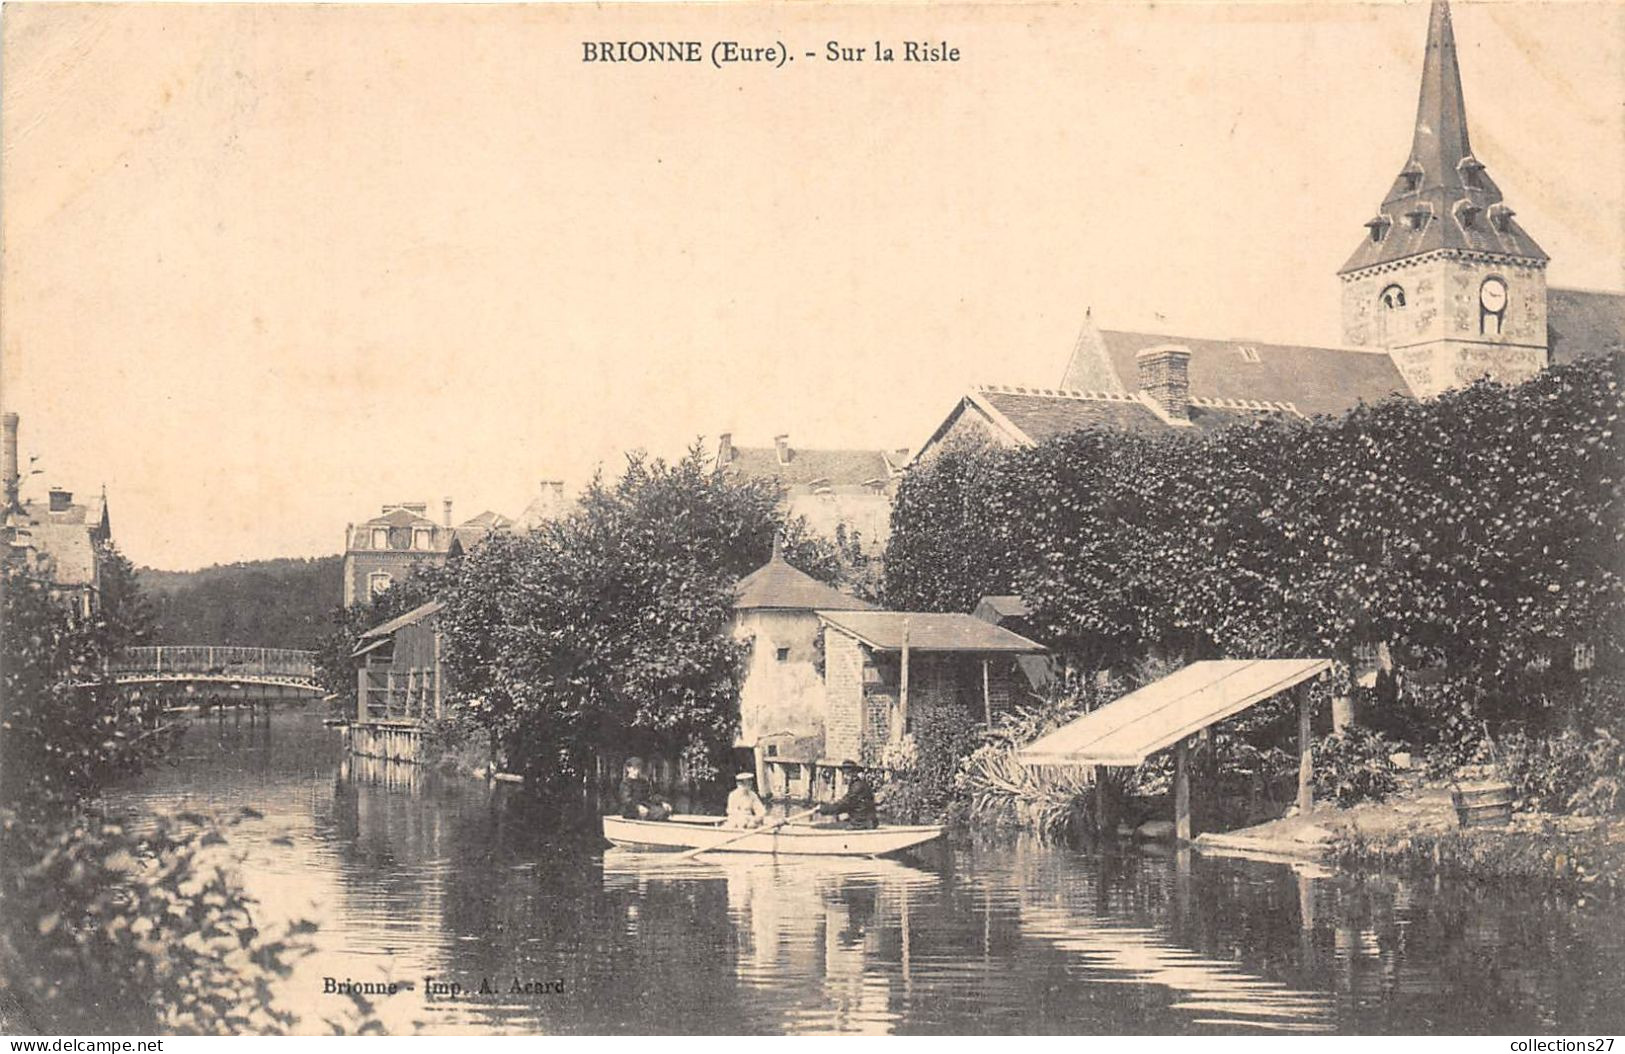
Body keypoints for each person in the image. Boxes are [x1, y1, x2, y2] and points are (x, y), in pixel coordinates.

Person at [817, 760, 878, 829]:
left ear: (854, 773)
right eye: (844, 774)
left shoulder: (857, 787)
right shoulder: (859, 784)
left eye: (848, 774)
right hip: (865, 820)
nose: (845, 777)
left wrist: (823, 808)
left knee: (820, 826)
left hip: (861, 823)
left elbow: (844, 804)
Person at [617, 756, 672, 821]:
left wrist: (662, 803)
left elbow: (651, 796)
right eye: (634, 768)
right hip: (631, 810)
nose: (637, 771)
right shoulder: (625, 783)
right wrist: (638, 807)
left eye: (638, 768)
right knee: (659, 814)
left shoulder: (643, 782)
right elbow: (626, 800)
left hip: (645, 807)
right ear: (628, 769)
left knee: (664, 811)